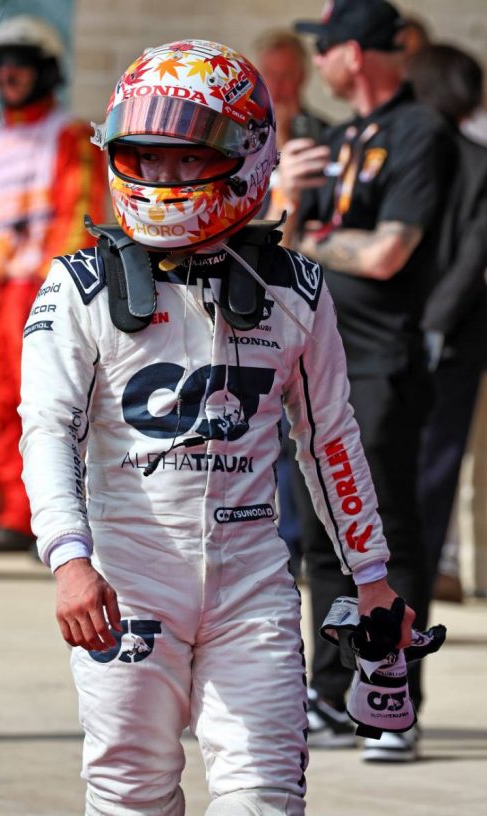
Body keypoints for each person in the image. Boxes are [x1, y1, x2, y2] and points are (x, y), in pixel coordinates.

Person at [18, 39, 414, 815]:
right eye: (146, 157)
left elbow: (329, 438)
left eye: (186, 158)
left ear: (246, 155)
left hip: (252, 588)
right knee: (129, 795)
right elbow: (47, 430)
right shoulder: (78, 286)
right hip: (128, 583)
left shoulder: (295, 288)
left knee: (265, 797)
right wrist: (69, 559)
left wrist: (369, 576)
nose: (162, 177)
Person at [273, 0, 454, 760]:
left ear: (355, 53)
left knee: (384, 535)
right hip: (317, 360)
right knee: (322, 535)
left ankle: (392, 704)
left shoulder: (419, 131)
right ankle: (330, 692)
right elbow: (283, 247)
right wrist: (285, 196)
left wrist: (315, 236)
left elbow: (387, 254)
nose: (317, 61)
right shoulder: (335, 140)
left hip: (382, 359)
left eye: (324, 48)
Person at [0, 15, 106, 551]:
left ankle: (64, 523)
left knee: (53, 407)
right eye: (1, 64)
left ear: (46, 70)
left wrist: (52, 291)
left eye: (21, 64)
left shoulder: (72, 136)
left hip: (37, 290)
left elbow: (79, 216)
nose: (8, 74)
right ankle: (17, 518)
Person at [409, 45, 487, 597]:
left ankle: (399, 590)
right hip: (444, 332)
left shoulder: (420, 153)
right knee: (431, 471)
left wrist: (430, 324)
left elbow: (472, 254)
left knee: (427, 469)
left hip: (441, 336)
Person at [253, 29, 328, 580]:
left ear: (302, 75)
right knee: (265, 430)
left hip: (307, 296)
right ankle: (275, 541)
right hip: (251, 295)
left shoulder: (321, 137)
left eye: (285, 74)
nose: (278, 86)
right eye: (269, 76)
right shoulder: (244, 136)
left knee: (309, 429)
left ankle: (304, 542)